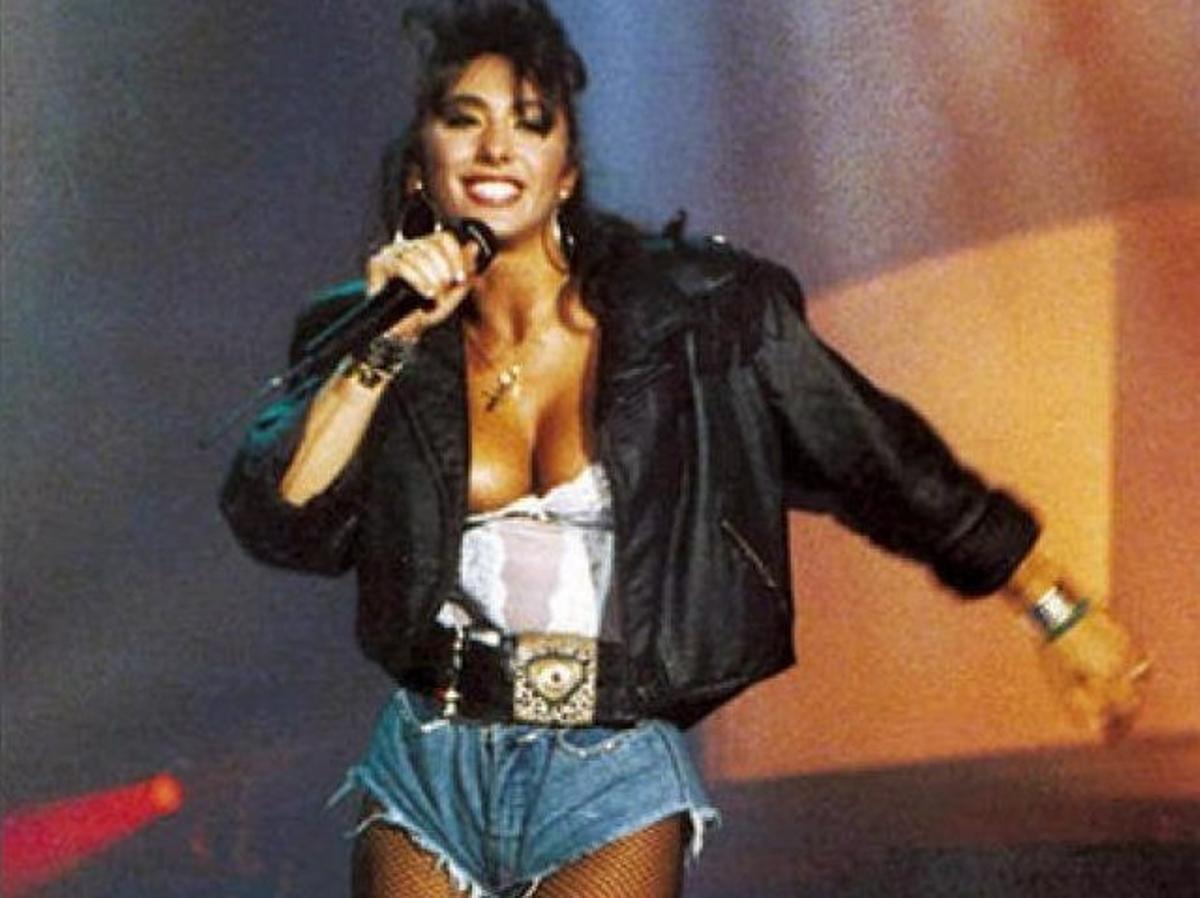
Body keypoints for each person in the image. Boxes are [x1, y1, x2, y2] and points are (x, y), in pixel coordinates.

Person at [220, 2, 1150, 896]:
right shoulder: (366, 332)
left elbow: (881, 462)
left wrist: (1053, 604)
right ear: (422, 168)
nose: (497, 148)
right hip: (429, 754)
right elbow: (280, 515)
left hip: (613, 763)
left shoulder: (701, 318)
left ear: (566, 172)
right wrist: (384, 347)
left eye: (531, 123)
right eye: (464, 121)